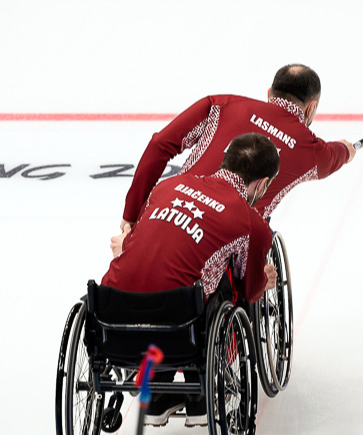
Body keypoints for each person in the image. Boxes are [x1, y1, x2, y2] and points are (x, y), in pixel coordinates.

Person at [101, 133, 280, 427]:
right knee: (222, 283)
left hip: (112, 315)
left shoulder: (166, 187)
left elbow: (143, 244)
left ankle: (158, 396)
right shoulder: (252, 223)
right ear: (262, 183)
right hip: (181, 331)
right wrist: (264, 280)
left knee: (164, 272)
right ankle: (199, 396)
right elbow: (249, 290)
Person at [117, 64, 356, 239]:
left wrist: (132, 213)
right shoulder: (312, 150)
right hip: (223, 238)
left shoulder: (221, 105)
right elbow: (333, 156)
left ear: (270, 92)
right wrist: (346, 149)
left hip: (166, 213)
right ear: (310, 108)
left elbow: (160, 145)